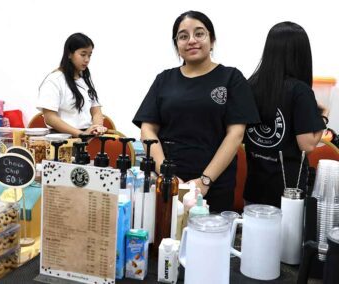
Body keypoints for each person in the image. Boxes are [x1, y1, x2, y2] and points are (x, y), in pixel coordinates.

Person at [132, 11, 260, 212]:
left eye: (199, 34)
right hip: (167, 182)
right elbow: (147, 129)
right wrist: (167, 176)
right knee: (164, 238)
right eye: (183, 36)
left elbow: (236, 135)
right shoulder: (164, 79)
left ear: (212, 39)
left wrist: (204, 181)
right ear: (177, 45)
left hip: (214, 184)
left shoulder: (231, 78)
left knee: (208, 238)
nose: (191, 41)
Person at [243, 22, 328, 208]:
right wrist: (323, 117)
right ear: (301, 54)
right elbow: (307, 144)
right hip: (289, 195)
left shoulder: (249, 85)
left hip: (253, 190)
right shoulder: (300, 91)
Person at [37, 33, 107, 137]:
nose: (87, 60)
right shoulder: (54, 80)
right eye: (83, 55)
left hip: (86, 137)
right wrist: (81, 134)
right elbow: (50, 118)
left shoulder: (85, 79)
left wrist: (97, 127)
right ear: (69, 54)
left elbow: (96, 110)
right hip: (63, 139)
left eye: (89, 55)